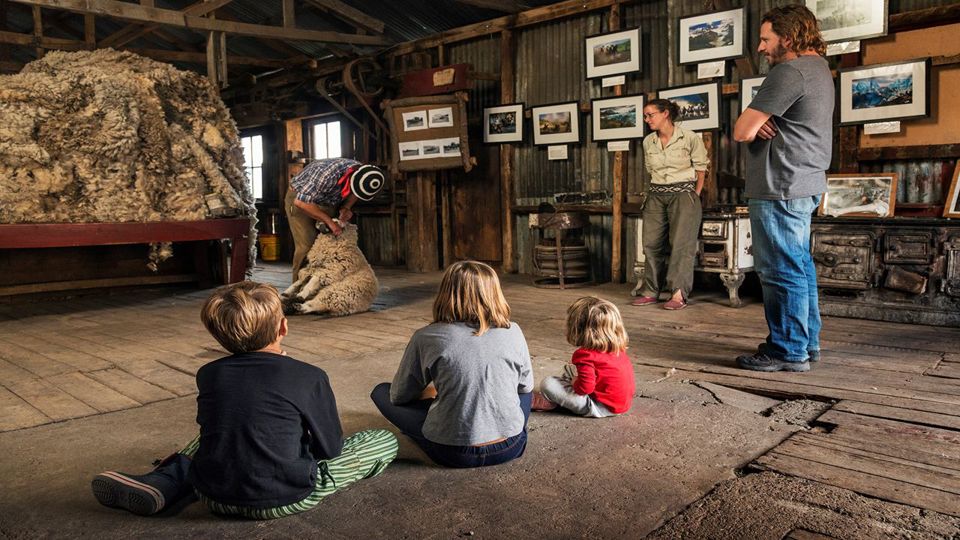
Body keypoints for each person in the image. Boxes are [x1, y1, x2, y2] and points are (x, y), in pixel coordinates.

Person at [91, 281, 398, 518]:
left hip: (213, 497)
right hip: (285, 498)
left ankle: (166, 482)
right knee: (382, 440)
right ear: (283, 327)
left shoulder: (209, 374)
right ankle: (172, 482)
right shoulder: (309, 376)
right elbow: (329, 449)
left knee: (217, 434)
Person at [732, 4, 833, 373]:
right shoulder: (819, 69)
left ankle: (787, 350)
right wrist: (764, 120)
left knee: (780, 271)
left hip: (781, 184)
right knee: (799, 266)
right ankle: (806, 343)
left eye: (765, 39)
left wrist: (757, 121)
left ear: (787, 38)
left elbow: (741, 130)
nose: (760, 48)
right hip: (802, 183)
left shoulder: (789, 72)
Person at [370, 260, 534, 468]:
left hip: (453, 453)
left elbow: (399, 396)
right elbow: (525, 387)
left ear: (446, 293)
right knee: (524, 392)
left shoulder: (426, 337)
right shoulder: (513, 330)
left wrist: (429, 393)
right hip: (511, 446)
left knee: (381, 392)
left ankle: (441, 420)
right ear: (495, 293)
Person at [632, 98, 709, 311]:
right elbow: (651, 169)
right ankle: (650, 291)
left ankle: (678, 293)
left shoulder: (690, 137)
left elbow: (701, 169)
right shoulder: (649, 141)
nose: (647, 119)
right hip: (656, 195)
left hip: (684, 194)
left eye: (650, 115)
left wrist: (695, 194)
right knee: (651, 243)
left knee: (681, 245)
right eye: (645, 116)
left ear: (665, 113)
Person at [531, 297, 635, 417]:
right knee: (569, 368)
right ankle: (563, 394)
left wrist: (575, 382)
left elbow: (585, 389)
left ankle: (553, 402)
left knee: (548, 384)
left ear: (577, 329)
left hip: (600, 407)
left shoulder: (585, 356)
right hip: (621, 404)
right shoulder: (617, 348)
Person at [286, 158, 385, 281]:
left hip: (327, 200)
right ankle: (298, 289)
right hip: (301, 199)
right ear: (351, 179)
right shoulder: (325, 174)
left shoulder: (363, 173)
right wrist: (329, 222)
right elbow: (300, 203)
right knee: (307, 244)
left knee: (332, 243)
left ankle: (323, 284)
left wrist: (346, 207)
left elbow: (355, 193)